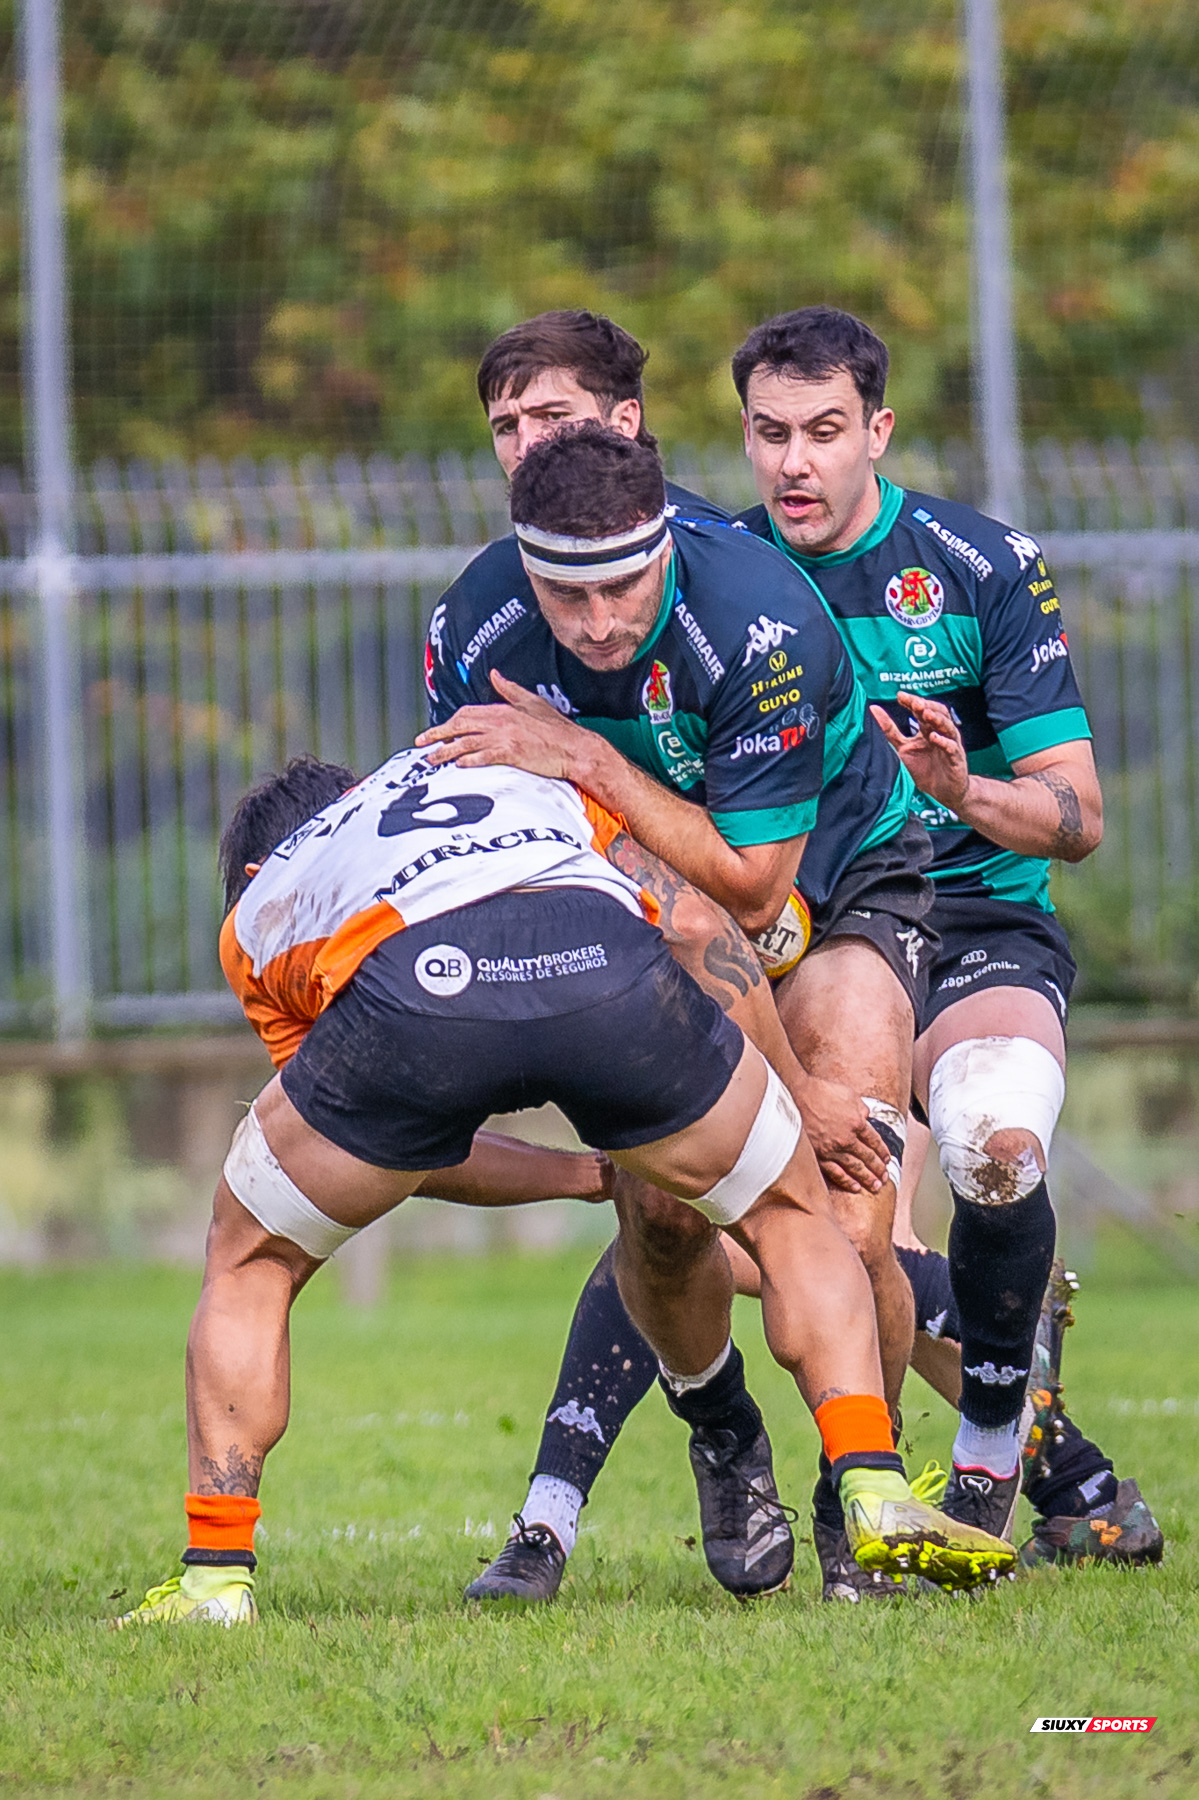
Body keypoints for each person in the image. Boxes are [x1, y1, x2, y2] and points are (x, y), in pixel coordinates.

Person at [116, 748, 1014, 1625]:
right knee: (789, 1212)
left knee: (250, 1258)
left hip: (413, 995)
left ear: (252, 868)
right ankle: (871, 1483)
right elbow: (699, 929)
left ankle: (216, 1581)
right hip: (599, 964)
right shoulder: (509, 772)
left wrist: (566, 1178)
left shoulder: (266, 901)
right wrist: (793, 1096)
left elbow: (389, 1144)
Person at [419, 414, 943, 1598]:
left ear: (663, 544)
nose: (598, 621)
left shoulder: (756, 621)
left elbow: (750, 892)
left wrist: (586, 759)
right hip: (652, 913)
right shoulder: (476, 626)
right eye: (567, 594)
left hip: (836, 889)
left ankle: (852, 1496)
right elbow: (492, 833)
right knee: (660, 1212)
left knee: (851, 1209)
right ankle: (721, 1429)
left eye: (622, 586)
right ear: (524, 566)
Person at [730, 304, 1161, 1567]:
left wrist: (963, 787)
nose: (794, 462)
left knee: (995, 1146)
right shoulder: (715, 577)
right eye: (768, 433)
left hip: (974, 918)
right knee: (790, 1226)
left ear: (877, 431)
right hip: (809, 937)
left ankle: (987, 1451)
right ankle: (1043, 1468)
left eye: (822, 431)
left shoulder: (978, 566)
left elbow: (1075, 817)